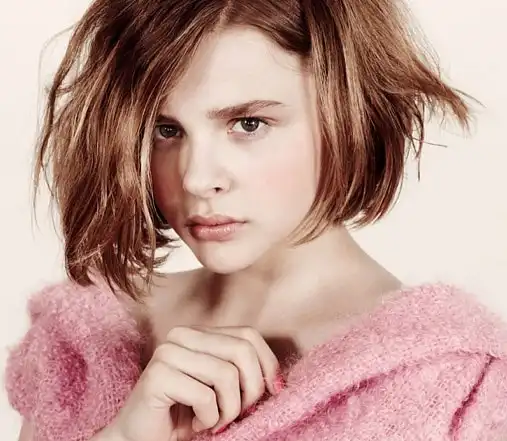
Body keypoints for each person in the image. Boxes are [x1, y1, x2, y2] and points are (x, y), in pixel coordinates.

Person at [5, 0, 507, 440]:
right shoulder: (83, 337)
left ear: (347, 111)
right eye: (165, 130)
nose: (197, 178)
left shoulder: (454, 380)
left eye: (248, 124)